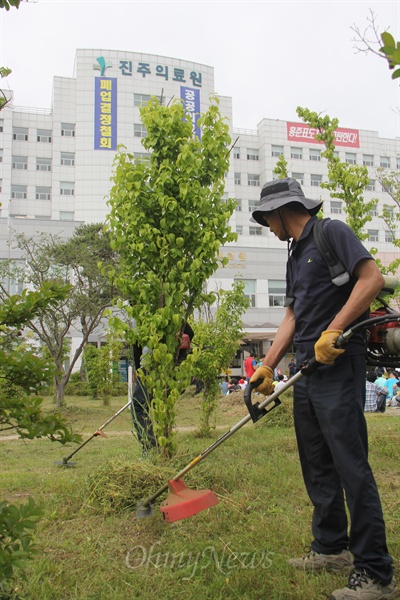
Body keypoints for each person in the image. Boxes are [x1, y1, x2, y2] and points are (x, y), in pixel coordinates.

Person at [249, 178, 395, 599]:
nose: (268, 227)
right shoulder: (295, 256)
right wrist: (267, 365)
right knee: (317, 464)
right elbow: (293, 316)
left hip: (338, 365)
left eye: (267, 218)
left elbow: (371, 279)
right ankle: (332, 548)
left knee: (351, 466)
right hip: (307, 373)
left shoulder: (332, 233)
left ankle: (376, 573)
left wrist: (334, 329)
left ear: (283, 210)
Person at [131, 322, 194, 456]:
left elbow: (136, 348)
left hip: (151, 368)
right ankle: (161, 447)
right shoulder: (171, 313)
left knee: (138, 407)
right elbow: (190, 333)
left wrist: (138, 371)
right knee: (161, 406)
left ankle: (150, 449)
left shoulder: (141, 318)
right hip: (170, 368)